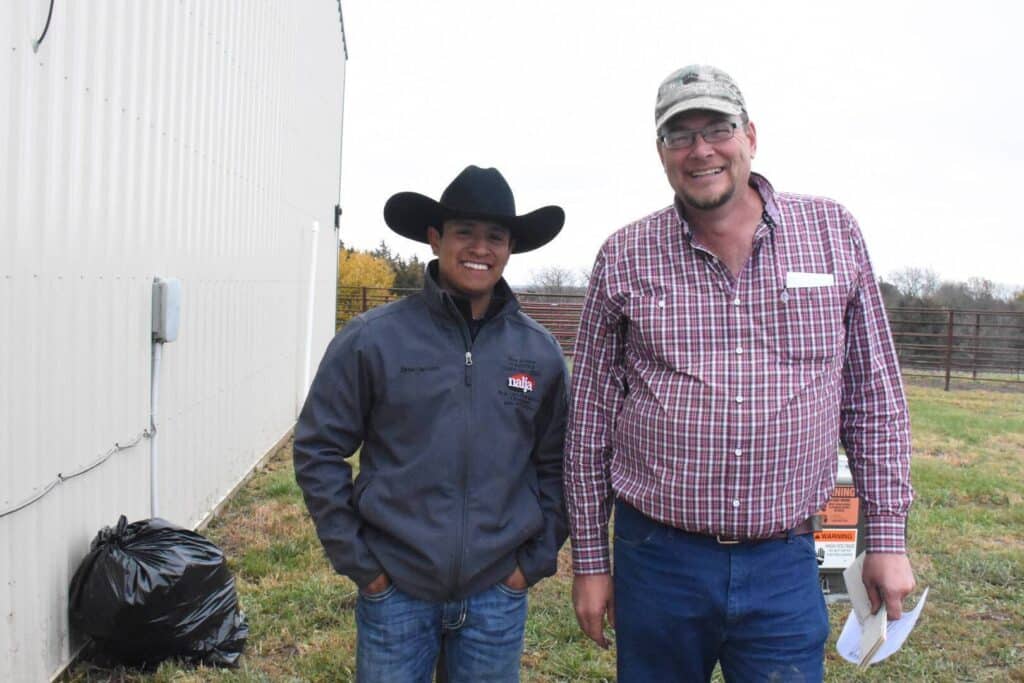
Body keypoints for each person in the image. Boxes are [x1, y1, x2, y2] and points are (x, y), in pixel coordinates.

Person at [564, 65, 916, 682]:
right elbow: (588, 425)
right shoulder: (624, 256)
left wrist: (886, 539)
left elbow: (875, 399)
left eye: (718, 128)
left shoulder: (832, 234)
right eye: (680, 135)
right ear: (661, 153)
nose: (701, 150)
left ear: (750, 134)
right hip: (658, 559)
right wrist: (591, 563)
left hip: (783, 559)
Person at [294, 165, 569, 683]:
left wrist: (527, 567)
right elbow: (318, 450)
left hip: (496, 595)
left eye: (495, 236)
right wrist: (364, 567)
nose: (479, 248)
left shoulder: (539, 354)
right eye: (465, 232)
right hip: (395, 590)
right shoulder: (372, 339)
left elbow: (559, 465)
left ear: (511, 248)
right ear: (435, 238)